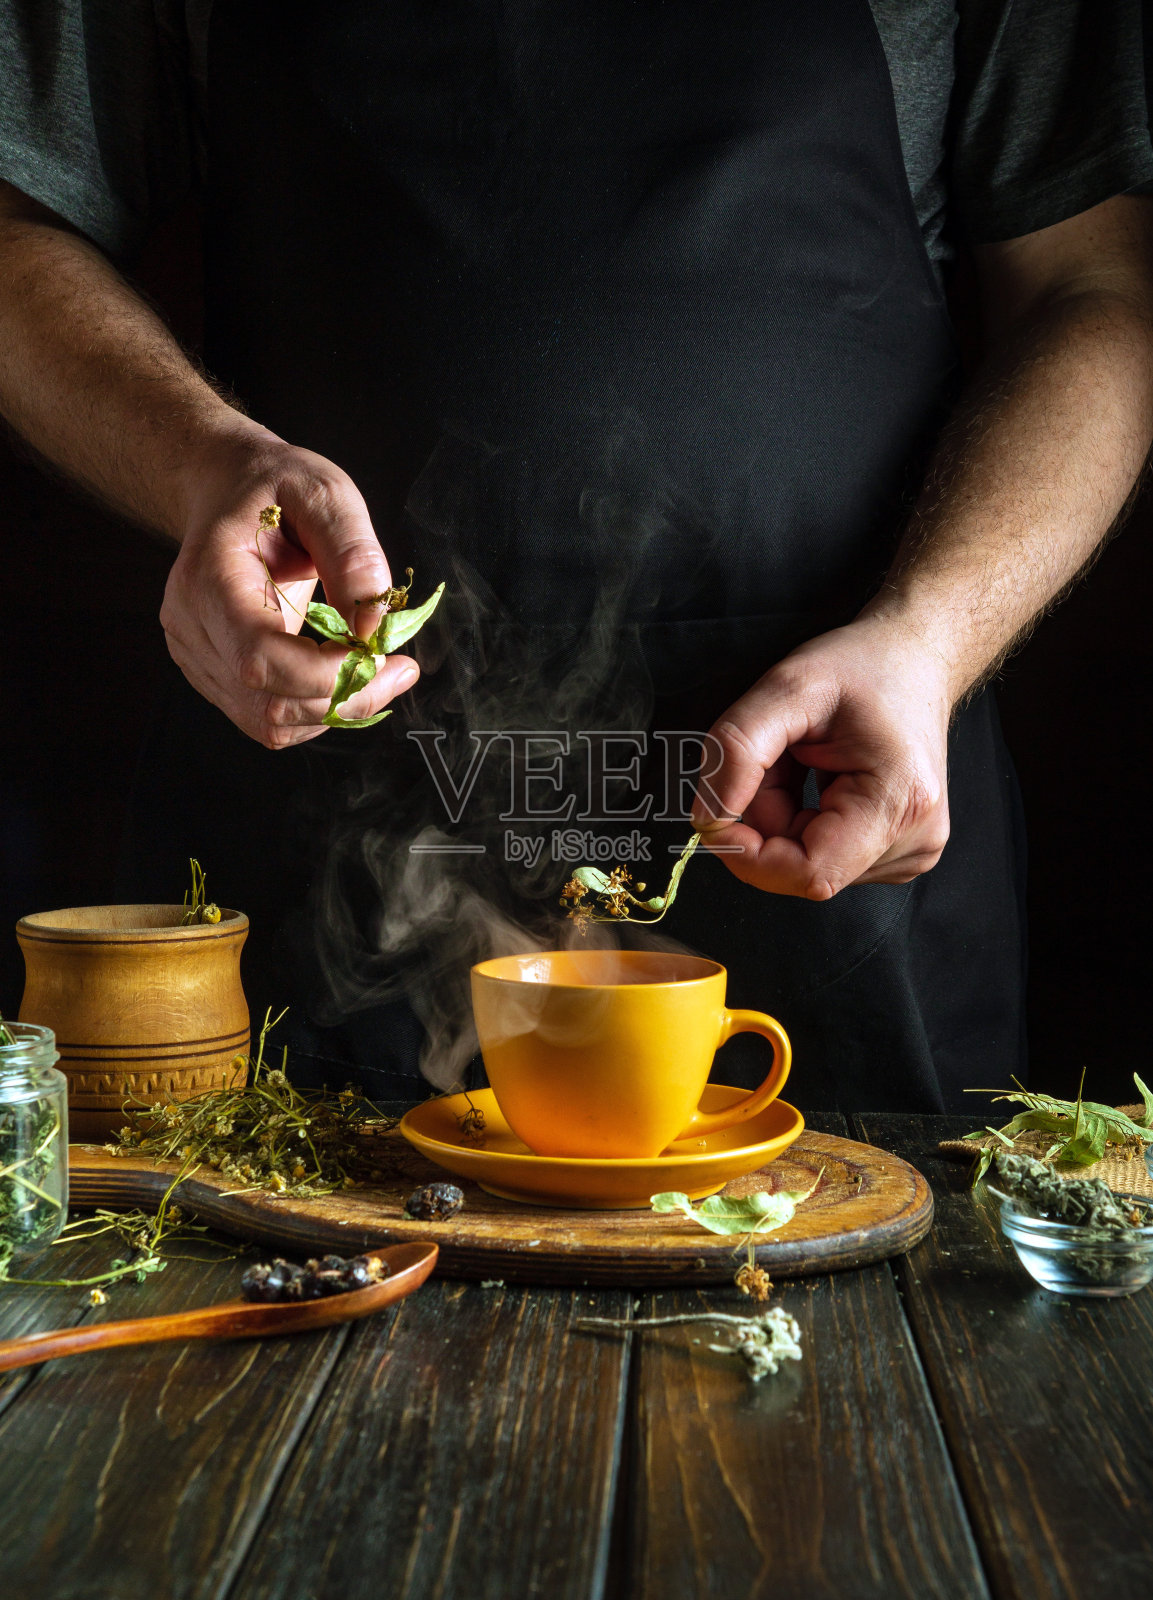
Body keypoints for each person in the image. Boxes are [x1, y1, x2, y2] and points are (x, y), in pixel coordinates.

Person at [1, 2, 1151, 1112]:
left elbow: (1095, 284)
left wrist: (934, 635)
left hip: (830, 812)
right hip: (311, 794)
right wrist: (202, 465)